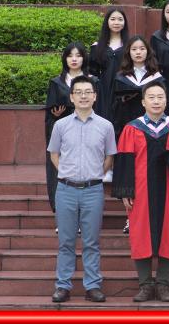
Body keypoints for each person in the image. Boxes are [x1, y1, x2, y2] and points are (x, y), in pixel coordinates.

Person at [111, 81, 169, 303]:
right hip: (140, 190)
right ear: (143, 102)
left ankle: (164, 284)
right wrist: (125, 190)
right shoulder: (132, 128)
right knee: (141, 234)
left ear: (166, 101)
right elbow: (124, 161)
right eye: (152, 97)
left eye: (160, 97)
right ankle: (145, 285)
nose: (156, 101)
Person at [47, 76, 117, 303]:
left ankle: (93, 286)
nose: (83, 96)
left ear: (95, 96)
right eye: (79, 92)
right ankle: (63, 286)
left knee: (91, 242)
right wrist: (66, 172)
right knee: (66, 241)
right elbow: (54, 154)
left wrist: (94, 174)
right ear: (72, 97)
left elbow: (109, 157)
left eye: (88, 92)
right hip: (66, 190)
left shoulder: (106, 126)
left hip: (93, 191)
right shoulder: (60, 125)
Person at [44, 42, 96, 215]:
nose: (74, 59)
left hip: (87, 130)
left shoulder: (93, 81)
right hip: (64, 133)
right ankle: (61, 213)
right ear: (65, 59)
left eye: (78, 55)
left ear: (84, 58)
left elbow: (99, 108)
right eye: (70, 55)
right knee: (59, 170)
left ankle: (83, 215)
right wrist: (56, 116)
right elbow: (49, 115)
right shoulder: (56, 82)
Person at [110, 35, 165, 137]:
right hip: (125, 124)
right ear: (129, 52)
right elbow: (114, 106)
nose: (138, 52)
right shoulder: (120, 78)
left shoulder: (157, 78)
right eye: (134, 49)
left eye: (142, 49)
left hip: (151, 126)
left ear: (148, 51)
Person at [88, 8, 128, 120]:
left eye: (120, 19)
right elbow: (92, 71)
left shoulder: (130, 46)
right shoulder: (97, 46)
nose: (116, 22)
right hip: (103, 91)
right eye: (113, 19)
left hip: (124, 90)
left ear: (124, 22)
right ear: (107, 22)